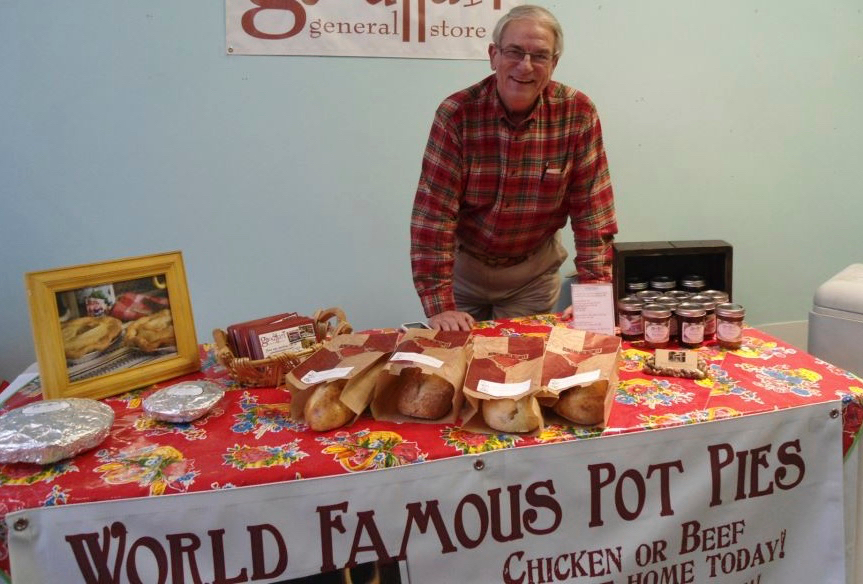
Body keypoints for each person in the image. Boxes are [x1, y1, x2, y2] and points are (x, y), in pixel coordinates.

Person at [410, 4, 618, 331]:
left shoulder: (578, 113)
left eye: (540, 56)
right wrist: (440, 304)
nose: (525, 65)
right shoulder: (457, 114)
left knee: (526, 356)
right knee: (457, 356)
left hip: (532, 276)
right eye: (514, 52)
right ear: (493, 55)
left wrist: (594, 289)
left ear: (554, 64)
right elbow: (434, 214)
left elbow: (593, 209)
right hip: (464, 273)